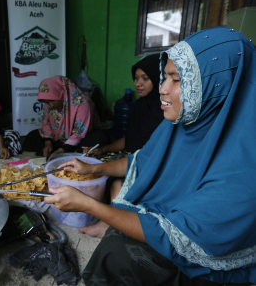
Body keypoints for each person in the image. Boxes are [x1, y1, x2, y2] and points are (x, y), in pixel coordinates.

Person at [45, 27, 256, 285]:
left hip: (203, 254)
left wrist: (89, 205)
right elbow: (142, 162)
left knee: (118, 256)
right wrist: (93, 169)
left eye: (176, 80)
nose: (162, 89)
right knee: (119, 222)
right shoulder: (181, 124)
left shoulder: (245, 164)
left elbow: (181, 238)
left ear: (217, 86)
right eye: (164, 77)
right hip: (171, 215)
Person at [80, 54, 164, 237]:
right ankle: (115, 219)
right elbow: (130, 139)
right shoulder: (138, 107)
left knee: (119, 183)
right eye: (136, 78)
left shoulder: (166, 110)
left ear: (159, 79)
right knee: (99, 172)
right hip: (131, 159)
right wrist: (103, 149)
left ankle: (110, 223)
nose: (138, 83)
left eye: (145, 78)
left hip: (151, 164)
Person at [22, 75, 107, 160]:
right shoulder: (48, 103)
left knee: (99, 138)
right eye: (47, 102)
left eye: (52, 100)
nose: (51, 105)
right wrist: (48, 142)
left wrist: (61, 151)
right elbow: (46, 123)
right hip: (58, 137)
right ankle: (62, 150)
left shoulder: (82, 103)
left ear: (61, 92)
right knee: (31, 138)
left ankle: (66, 151)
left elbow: (79, 133)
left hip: (81, 138)